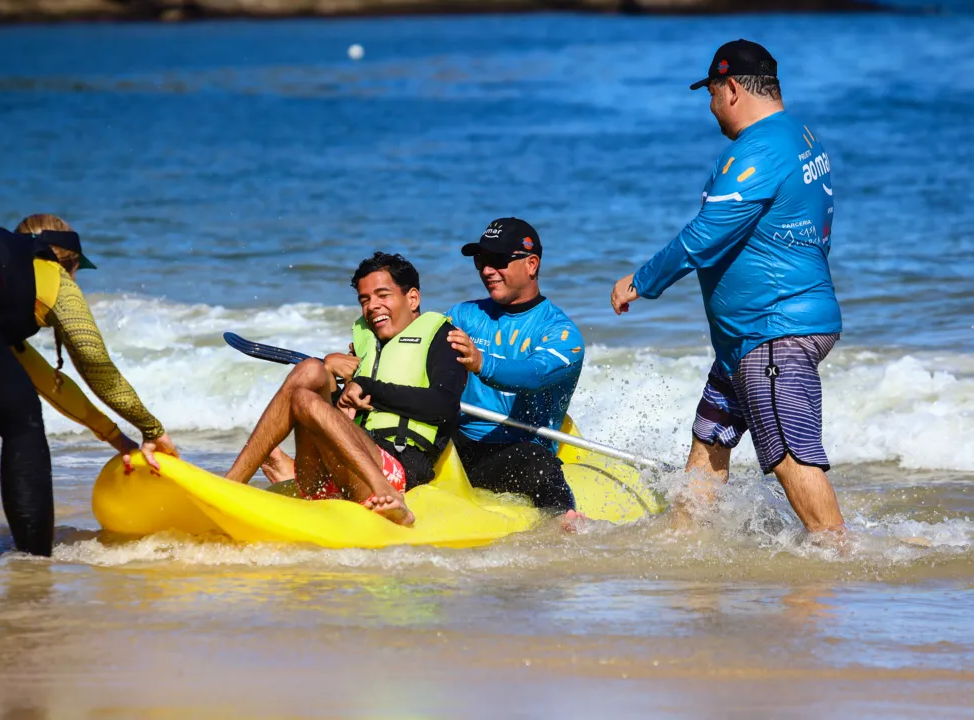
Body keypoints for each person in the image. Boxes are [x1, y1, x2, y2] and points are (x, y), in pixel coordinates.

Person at [609, 39, 845, 536]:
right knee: (710, 439)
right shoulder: (798, 136)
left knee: (788, 455)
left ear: (732, 88)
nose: (711, 104)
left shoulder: (759, 149)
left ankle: (836, 560)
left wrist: (641, 281)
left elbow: (705, 237)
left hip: (772, 331)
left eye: (712, 91)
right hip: (747, 336)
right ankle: (685, 546)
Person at [0, 215, 178, 556]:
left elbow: (45, 380)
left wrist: (117, 438)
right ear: (71, 264)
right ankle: (34, 569)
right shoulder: (48, 271)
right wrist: (152, 430)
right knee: (22, 422)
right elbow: (95, 363)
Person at [225, 252, 465, 526]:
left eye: (382, 295)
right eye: (365, 299)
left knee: (304, 397)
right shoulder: (365, 347)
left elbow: (443, 406)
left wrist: (366, 386)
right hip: (335, 474)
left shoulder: (443, 339)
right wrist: (328, 372)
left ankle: (386, 494)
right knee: (309, 369)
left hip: (395, 473)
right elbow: (341, 413)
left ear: (412, 298)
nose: (372, 306)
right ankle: (231, 485)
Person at [446, 218, 585, 514]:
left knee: (538, 463)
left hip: (515, 451)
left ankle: (566, 525)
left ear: (531, 264)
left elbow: (533, 375)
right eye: (481, 260)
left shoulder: (561, 334)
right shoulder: (463, 314)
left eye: (497, 260)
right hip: (456, 441)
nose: (486, 270)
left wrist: (481, 362)